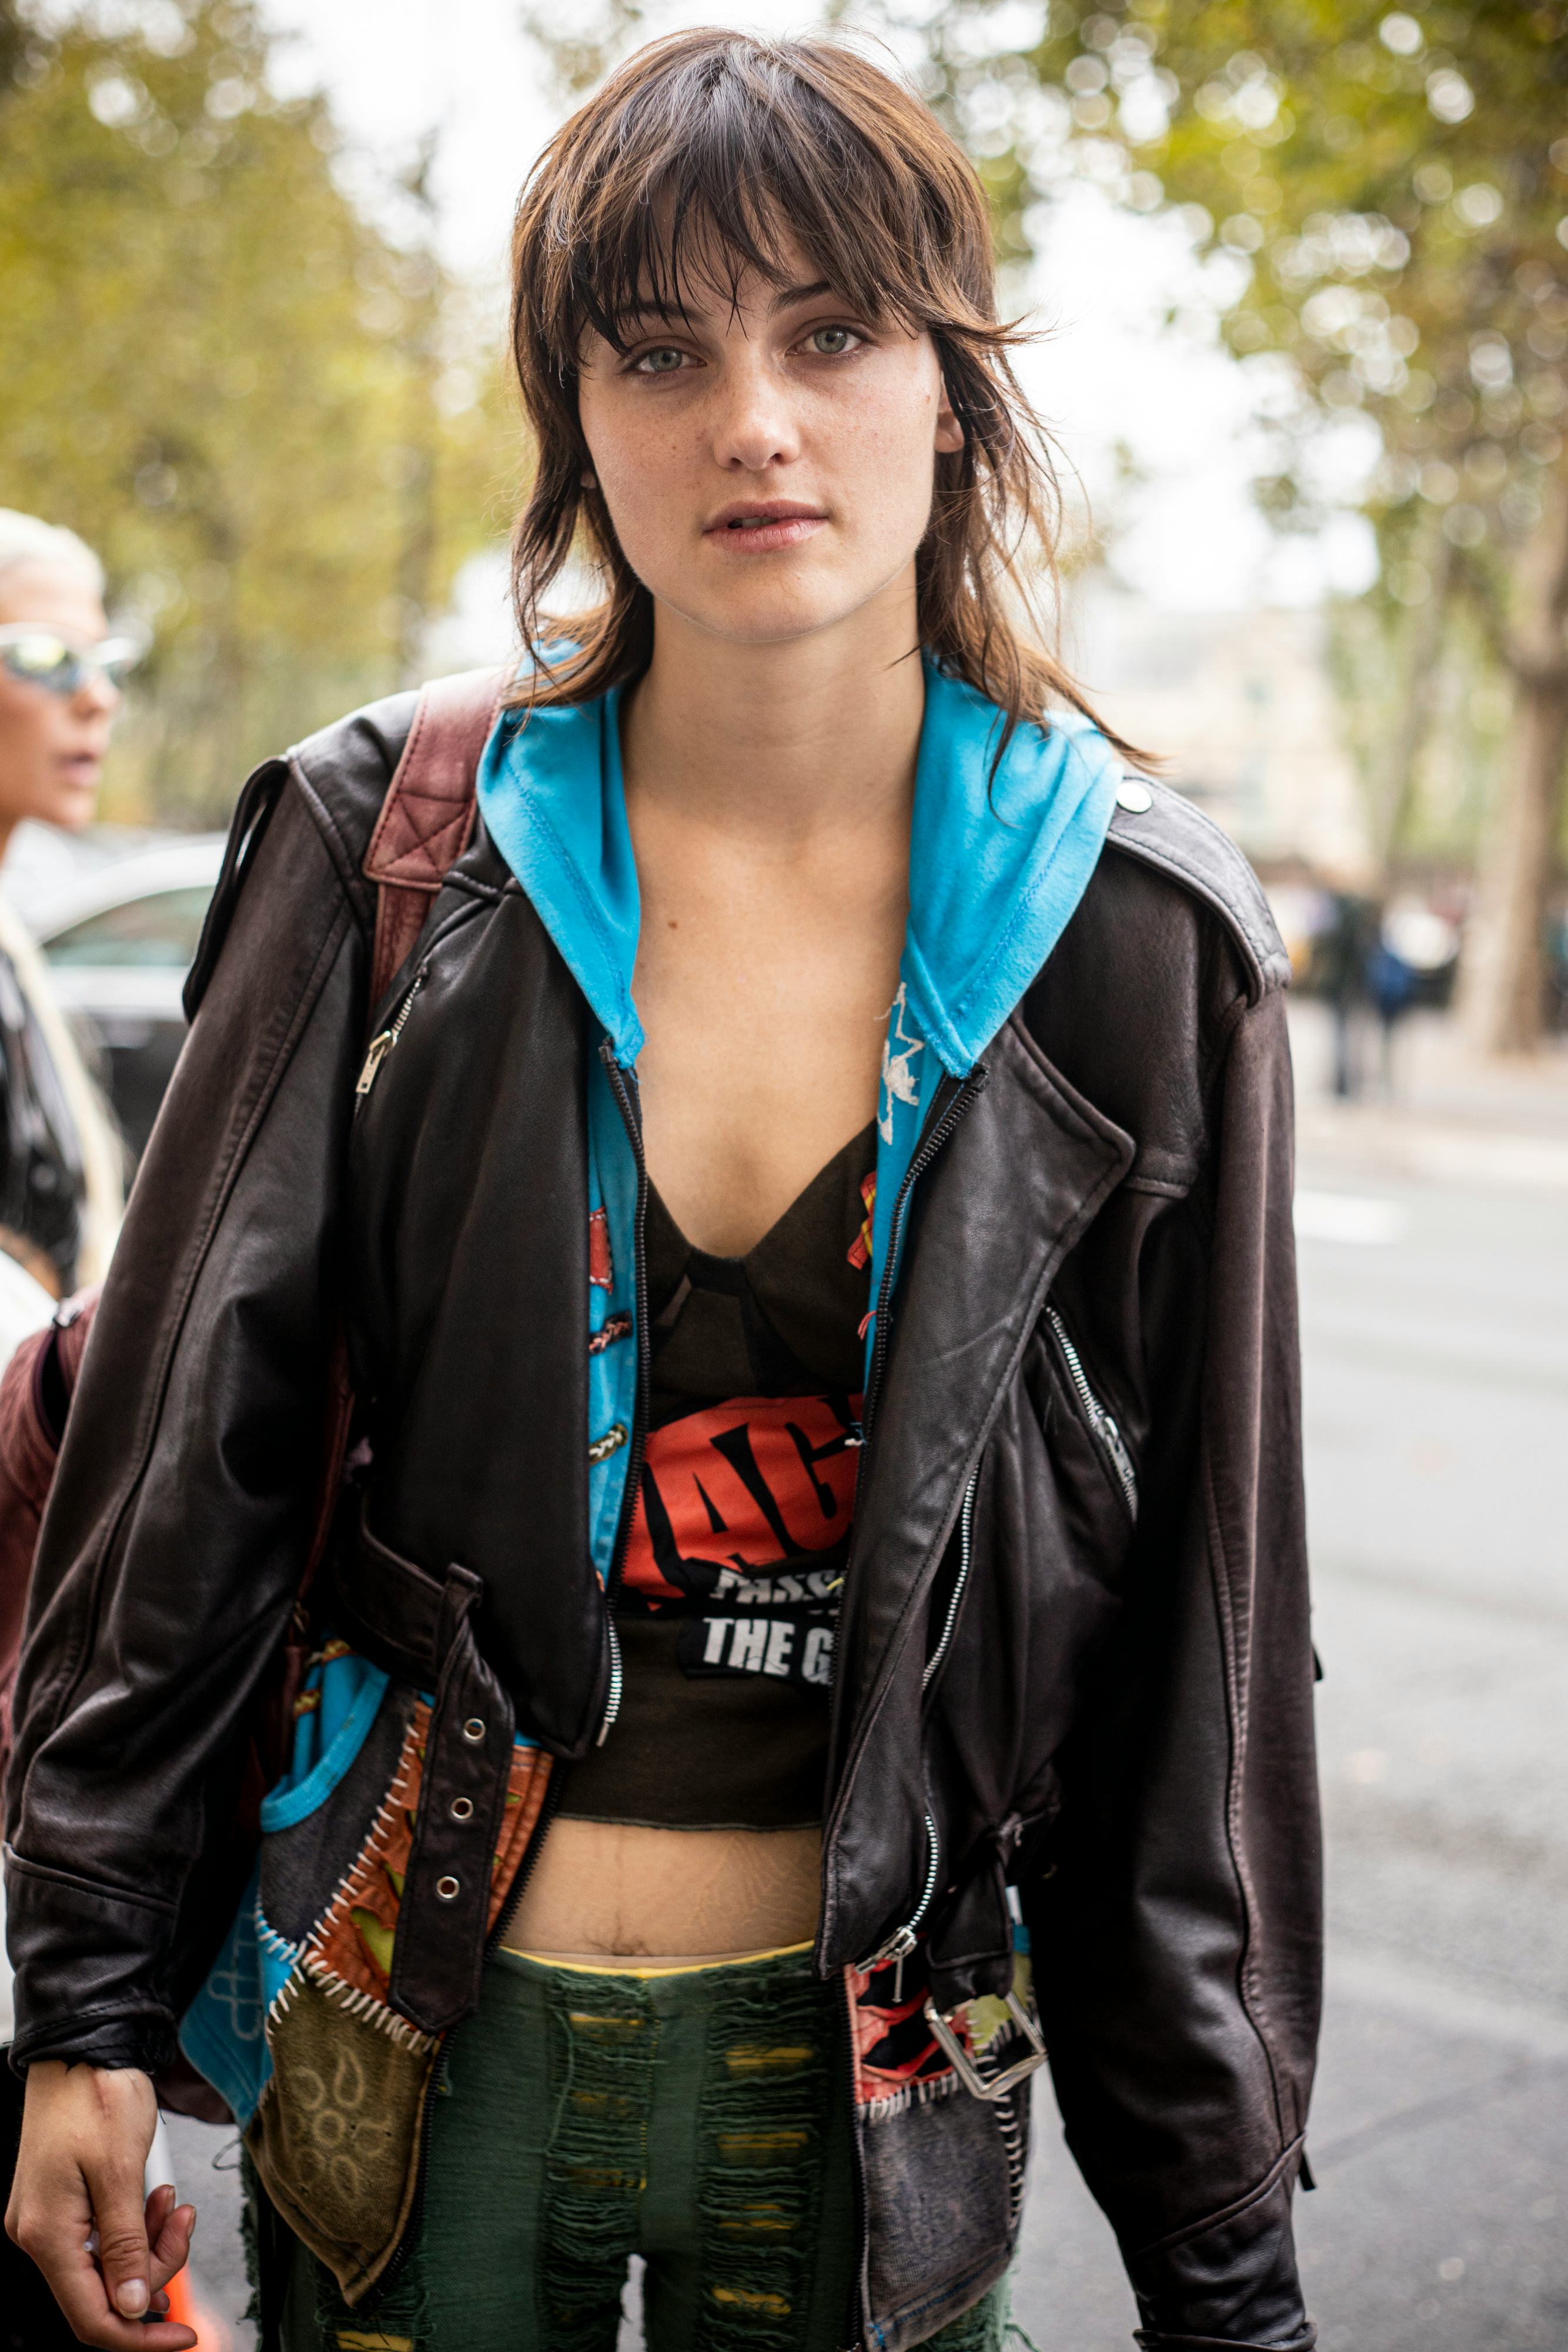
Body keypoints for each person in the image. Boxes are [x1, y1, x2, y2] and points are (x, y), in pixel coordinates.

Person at [2, 32, 1321, 2352]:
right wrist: (83, 2008)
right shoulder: (386, 850)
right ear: (572, 416)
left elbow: (1197, 1667)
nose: (753, 416)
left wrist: (1226, 2266)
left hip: (870, 2080)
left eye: (828, 333)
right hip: (413, 2036)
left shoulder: (1137, 943)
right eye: (660, 348)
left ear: (952, 388)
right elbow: (176, 1479)